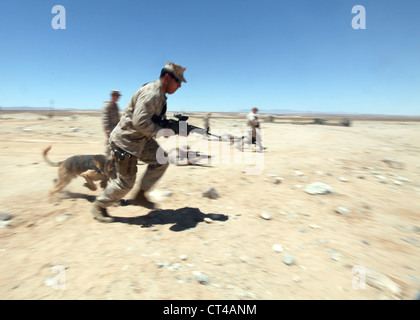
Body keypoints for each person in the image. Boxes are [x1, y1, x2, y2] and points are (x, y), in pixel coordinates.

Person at [91, 62, 187, 222]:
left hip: (140, 140)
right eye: (178, 82)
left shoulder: (161, 95)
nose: (179, 86)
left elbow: (155, 119)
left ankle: (141, 196)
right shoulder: (152, 93)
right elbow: (140, 122)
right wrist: (162, 132)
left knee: (161, 159)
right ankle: (99, 206)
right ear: (167, 78)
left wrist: (173, 126)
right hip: (125, 142)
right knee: (125, 183)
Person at [102, 90, 121, 156]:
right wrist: (107, 128)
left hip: (116, 126)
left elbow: (117, 116)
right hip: (110, 127)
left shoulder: (115, 105)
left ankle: (113, 156)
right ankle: (107, 157)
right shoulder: (107, 105)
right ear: (113, 96)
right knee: (109, 142)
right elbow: (105, 117)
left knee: (117, 142)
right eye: (118, 96)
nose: (119, 98)